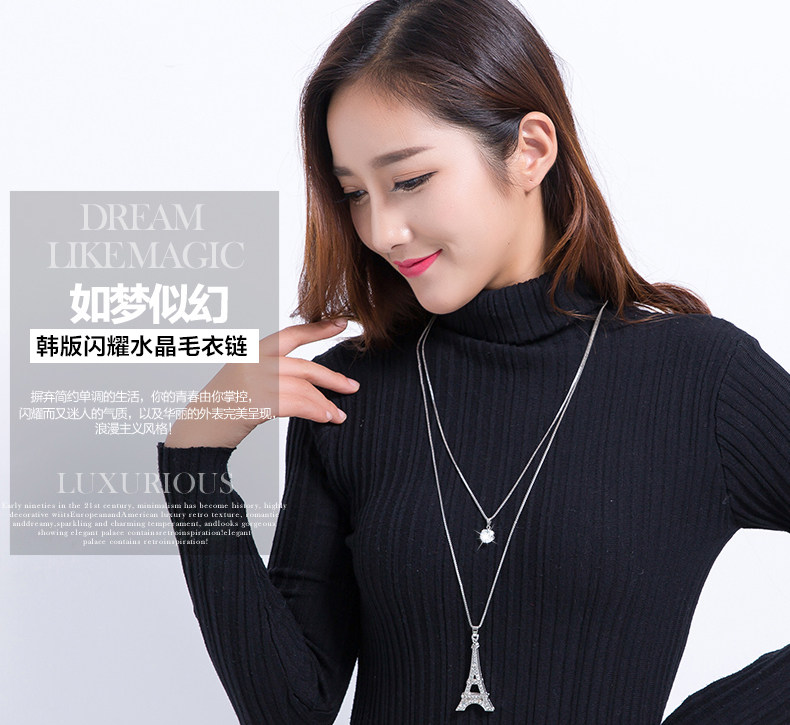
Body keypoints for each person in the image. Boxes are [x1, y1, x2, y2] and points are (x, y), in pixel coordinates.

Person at [157, 0, 790, 722]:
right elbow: (288, 710)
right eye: (354, 193)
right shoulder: (347, 394)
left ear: (530, 151)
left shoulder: (698, 379)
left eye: (409, 180)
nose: (380, 230)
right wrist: (194, 460)